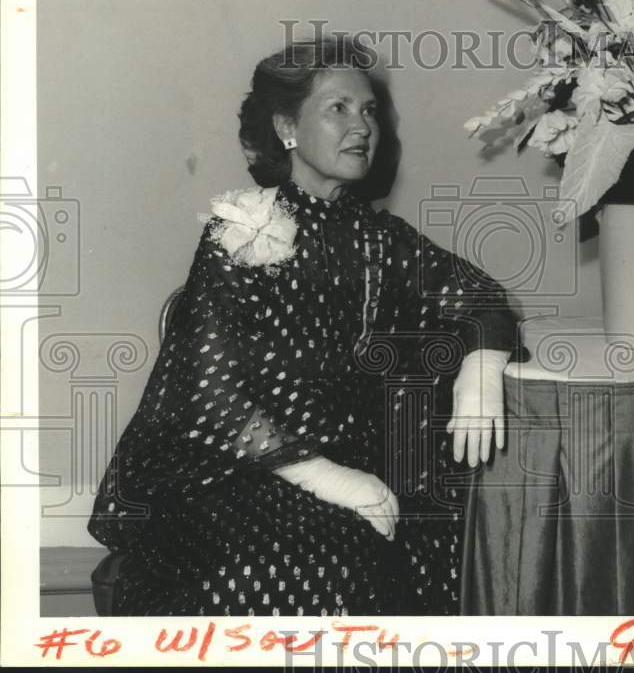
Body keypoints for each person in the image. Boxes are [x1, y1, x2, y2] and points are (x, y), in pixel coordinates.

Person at [87, 35, 520, 616]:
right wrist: (325, 477)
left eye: (369, 110)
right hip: (233, 473)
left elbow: (482, 298)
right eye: (337, 108)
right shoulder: (241, 229)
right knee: (296, 565)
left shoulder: (382, 239)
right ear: (287, 128)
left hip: (359, 467)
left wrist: (482, 367)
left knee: (441, 549)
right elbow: (211, 388)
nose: (362, 125)